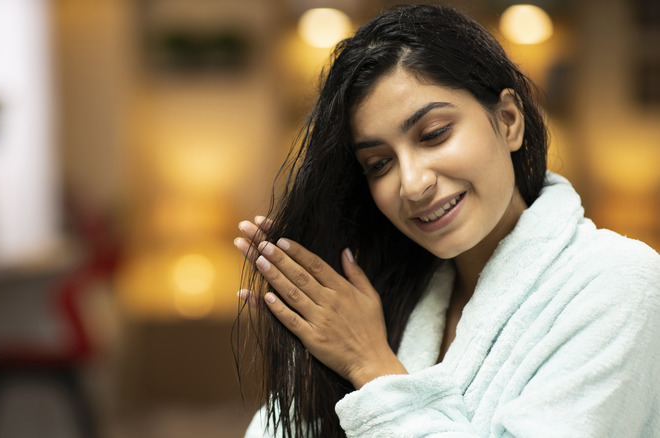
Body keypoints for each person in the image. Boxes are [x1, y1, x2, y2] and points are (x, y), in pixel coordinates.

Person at [232, 4, 660, 438]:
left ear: (509, 120)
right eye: (379, 163)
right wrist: (312, 359)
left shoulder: (621, 282)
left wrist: (369, 365)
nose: (412, 184)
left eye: (434, 134)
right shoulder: (380, 296)